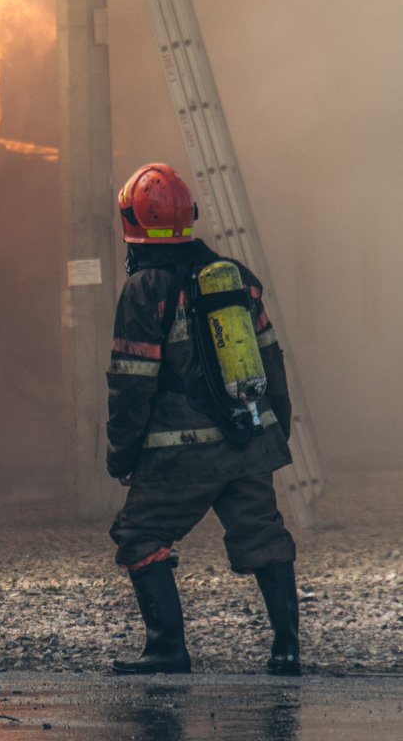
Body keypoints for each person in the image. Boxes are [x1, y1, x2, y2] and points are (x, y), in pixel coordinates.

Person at [105, 163, 301, 676]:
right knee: (263, 535)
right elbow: (270, 361)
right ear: (189, 216)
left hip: (181, 450)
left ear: (132, 220)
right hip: (249, 437)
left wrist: (121, 455)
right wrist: (276, 428)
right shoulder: (234, 278)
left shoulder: (145, 290)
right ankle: (286, 651)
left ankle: (167, 649)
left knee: (140, 534)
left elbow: (131, 382)